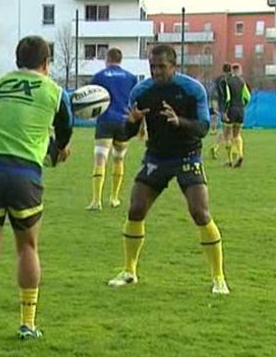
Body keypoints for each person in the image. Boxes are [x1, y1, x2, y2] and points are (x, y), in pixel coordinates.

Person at [0, 36, 73, 352]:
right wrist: (58, 151)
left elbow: (1, 120)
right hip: (24, 173)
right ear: (46, 62)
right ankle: (27, 324)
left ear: (17, 59)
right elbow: (64, 133)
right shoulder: (54, 90)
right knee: (27, 247)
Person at [107, 44, 229, 295]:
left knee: (200, 213)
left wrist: (179, 121)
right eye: (152, 66)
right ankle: (129, 271)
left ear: (174, 66)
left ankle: (219, 278)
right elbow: (126, 134)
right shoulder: (141, 91)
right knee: (136, 208)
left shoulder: (192, 89)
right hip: (157, 156)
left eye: (162, 66)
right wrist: (132, 123)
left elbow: (203, 127)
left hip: (188, 155)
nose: (156, 71)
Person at [85, 48, 138, 211]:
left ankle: (96, 200)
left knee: (100, 159)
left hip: (105, 121)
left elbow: (91, 98)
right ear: (121, 60)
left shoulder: (99, 76)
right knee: (119, 159)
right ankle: (114, 198)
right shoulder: (131, 78)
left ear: (107, 59)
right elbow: (135, 102)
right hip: (123, 122)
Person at [213, 63, 250, 167]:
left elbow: (227, 98)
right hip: (240, 110)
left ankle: (229, 160)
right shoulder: (242, 81)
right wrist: (242, 106)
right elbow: (248, 97)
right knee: (237, 135)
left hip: (230, 110)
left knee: (226, 136)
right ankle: (240, 155)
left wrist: (224, 112)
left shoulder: (226, 81)